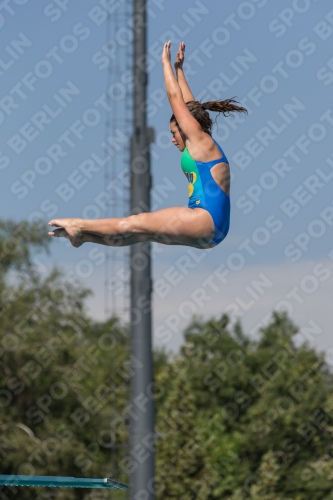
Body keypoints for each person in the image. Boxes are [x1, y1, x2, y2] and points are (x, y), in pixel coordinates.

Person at [48, 41, 247, 249]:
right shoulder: (203, 143)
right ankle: (84, 237)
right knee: (139, 234)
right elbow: (189, 106)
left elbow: (175, 98)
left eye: (173, 133)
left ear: (185, 127)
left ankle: (78, 225)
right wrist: (180, 70)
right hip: (215, 230)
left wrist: (165, 64)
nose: (172, 139)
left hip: (204, 219)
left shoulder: (198, 138)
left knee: (136, 222)